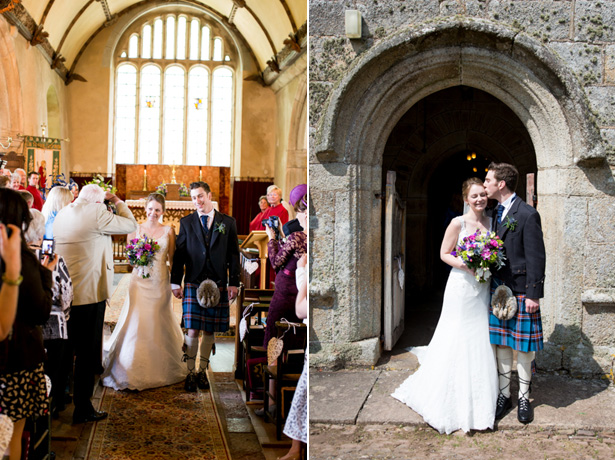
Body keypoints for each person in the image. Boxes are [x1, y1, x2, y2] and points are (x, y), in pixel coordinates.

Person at [391, 178, 498, 434]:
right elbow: (444, 253)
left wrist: (486, 265)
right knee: (457, 332)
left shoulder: (492, 222)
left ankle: (481, 393)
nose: (480, 199)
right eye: (474, 196)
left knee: (479, 334)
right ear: (465, 199)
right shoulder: (457, 223)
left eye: (482, 194)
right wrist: (467, 265)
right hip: (461, 286)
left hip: (482, 288)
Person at [53, 183, 137, 424]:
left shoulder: (64, 212)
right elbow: (131, 224)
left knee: (65, 350)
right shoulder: (97, 212)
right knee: (87, 353)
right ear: (99, 201)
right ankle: (83, 408)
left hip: (64, 294)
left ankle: (58, 400)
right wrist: (117, 201)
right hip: (88, 295)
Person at [102, 193, 187, 390]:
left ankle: (159, 364)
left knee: (157, 319)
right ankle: (131, 365)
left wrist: (176, 283)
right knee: (137, 319)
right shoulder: (135, 228)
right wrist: (139, 256)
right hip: (139, 282)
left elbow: (173, 260)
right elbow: (130, 260)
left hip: (160, 282)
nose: (153, 213)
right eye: (150, 209)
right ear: (145, 209)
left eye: (157, 210)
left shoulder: (169, 231)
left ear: (163, 211)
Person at [483, 162, 546, 425]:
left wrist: (533, 294)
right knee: (501, 345)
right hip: (498, 289)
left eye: (488, 180)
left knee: (524, 347)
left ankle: (523, 396)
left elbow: (536, 256)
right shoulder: (492, 212)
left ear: (501, 184)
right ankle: (503, 395)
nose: (484, 184)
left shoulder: (527, 214)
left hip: (521, 291)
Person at [0, 188, 55, 460]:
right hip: (16, 360)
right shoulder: (19, 260)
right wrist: (46, 273)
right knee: (11, 439)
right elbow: (41, 311)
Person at [171, 181, 240, 392]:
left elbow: (233, 255)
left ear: (209, 195)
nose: (197, 201)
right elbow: (180, 255)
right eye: (193, 198)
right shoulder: (186, 222)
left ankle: (202, 371)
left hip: (218, 281)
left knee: (209, 331)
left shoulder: (227, 222)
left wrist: (234, 283)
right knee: (192, 330)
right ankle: (190, 372)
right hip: (193, 280)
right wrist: (175, 281)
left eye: (200, 196)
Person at [257, 184, 308, 417]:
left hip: (285, 295)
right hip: (302, 295)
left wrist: (271, 238)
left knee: (274, 344)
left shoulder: (297, 236)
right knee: (296, 342)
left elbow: (276, 262)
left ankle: (273, 404)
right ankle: (290, 401)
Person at [24, 209, 73, 418]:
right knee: (52, 373)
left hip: (25, 328)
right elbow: (67, 291)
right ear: (41, 231)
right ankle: (52, 409)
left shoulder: (16, 258)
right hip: (54, 326)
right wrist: (65, 314)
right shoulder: (52, 257)